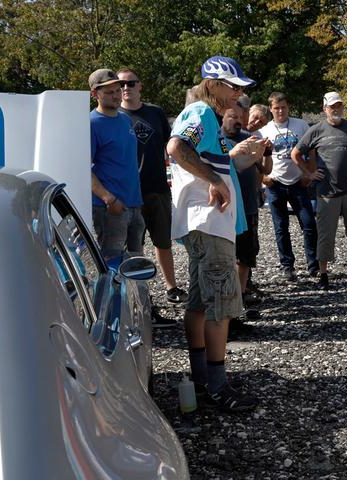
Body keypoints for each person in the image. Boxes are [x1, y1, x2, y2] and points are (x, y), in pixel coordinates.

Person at [167, 55, 263, 412]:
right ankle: (218, 387)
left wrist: (234, 160)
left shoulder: (209, 120)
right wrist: (211, 181)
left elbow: (209, 161)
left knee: (199, 301)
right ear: (213, 84)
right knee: (221, 305)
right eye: (233, 86)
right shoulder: (201, 113)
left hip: (206, 224)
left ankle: (202, 377)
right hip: (208, 224)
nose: (238, 94)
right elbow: (176, 147)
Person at [117, 68, 188, 318]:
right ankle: (139, 300)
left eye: (131, 83)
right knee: (133, 248)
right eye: (121, 84)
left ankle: (172, 287)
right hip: (127, 194)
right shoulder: (113, 116)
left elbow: (173, 148)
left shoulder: (155, 113)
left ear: (140, 85)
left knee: (163, 241)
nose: (126, 88)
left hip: (157, 187)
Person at [292, 91, 347, 290]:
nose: (336, 109)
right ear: (325, 109)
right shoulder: (316, 130)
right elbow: (295, 153)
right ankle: (323, 275)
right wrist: (309, 173)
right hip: (326, 192)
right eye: (332, 106)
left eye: (339, 105)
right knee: (325, 234)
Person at [259, 92, 319, 281]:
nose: (280, 111)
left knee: (309, 223)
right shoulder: (265, 129)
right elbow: (256, 156)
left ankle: (313, 264)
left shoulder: (300, 125)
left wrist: (309, 174)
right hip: (275, 182)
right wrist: (263, 177)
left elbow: (311, 150)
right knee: (281, 227)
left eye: (283, 107)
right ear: (271, 109)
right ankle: (287, 266)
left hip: (298, 182)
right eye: (276, 108)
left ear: (288, 107)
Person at [88, 68, 145, 262]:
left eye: (117, 90)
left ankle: (138, 294)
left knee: (136, 262)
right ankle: (113, 294)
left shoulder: (125, 119)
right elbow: (83, 169)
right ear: (95, 94)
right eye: (109, 92)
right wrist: (109, 199)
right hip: (109, 209)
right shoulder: (91, 123)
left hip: (134, 204)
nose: (116, 95)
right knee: (111, 263)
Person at [221, 105, 272, 317]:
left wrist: (267, 153)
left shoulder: (250, 138)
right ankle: (227, 300)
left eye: (241, 117)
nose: (238, 121)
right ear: (222, 117)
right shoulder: (216, 140)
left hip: (249, 205)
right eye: (232, 116)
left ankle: (240, 298)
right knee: (226, 257)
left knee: (246, 256)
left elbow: (266, 170)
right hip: (224, 207)